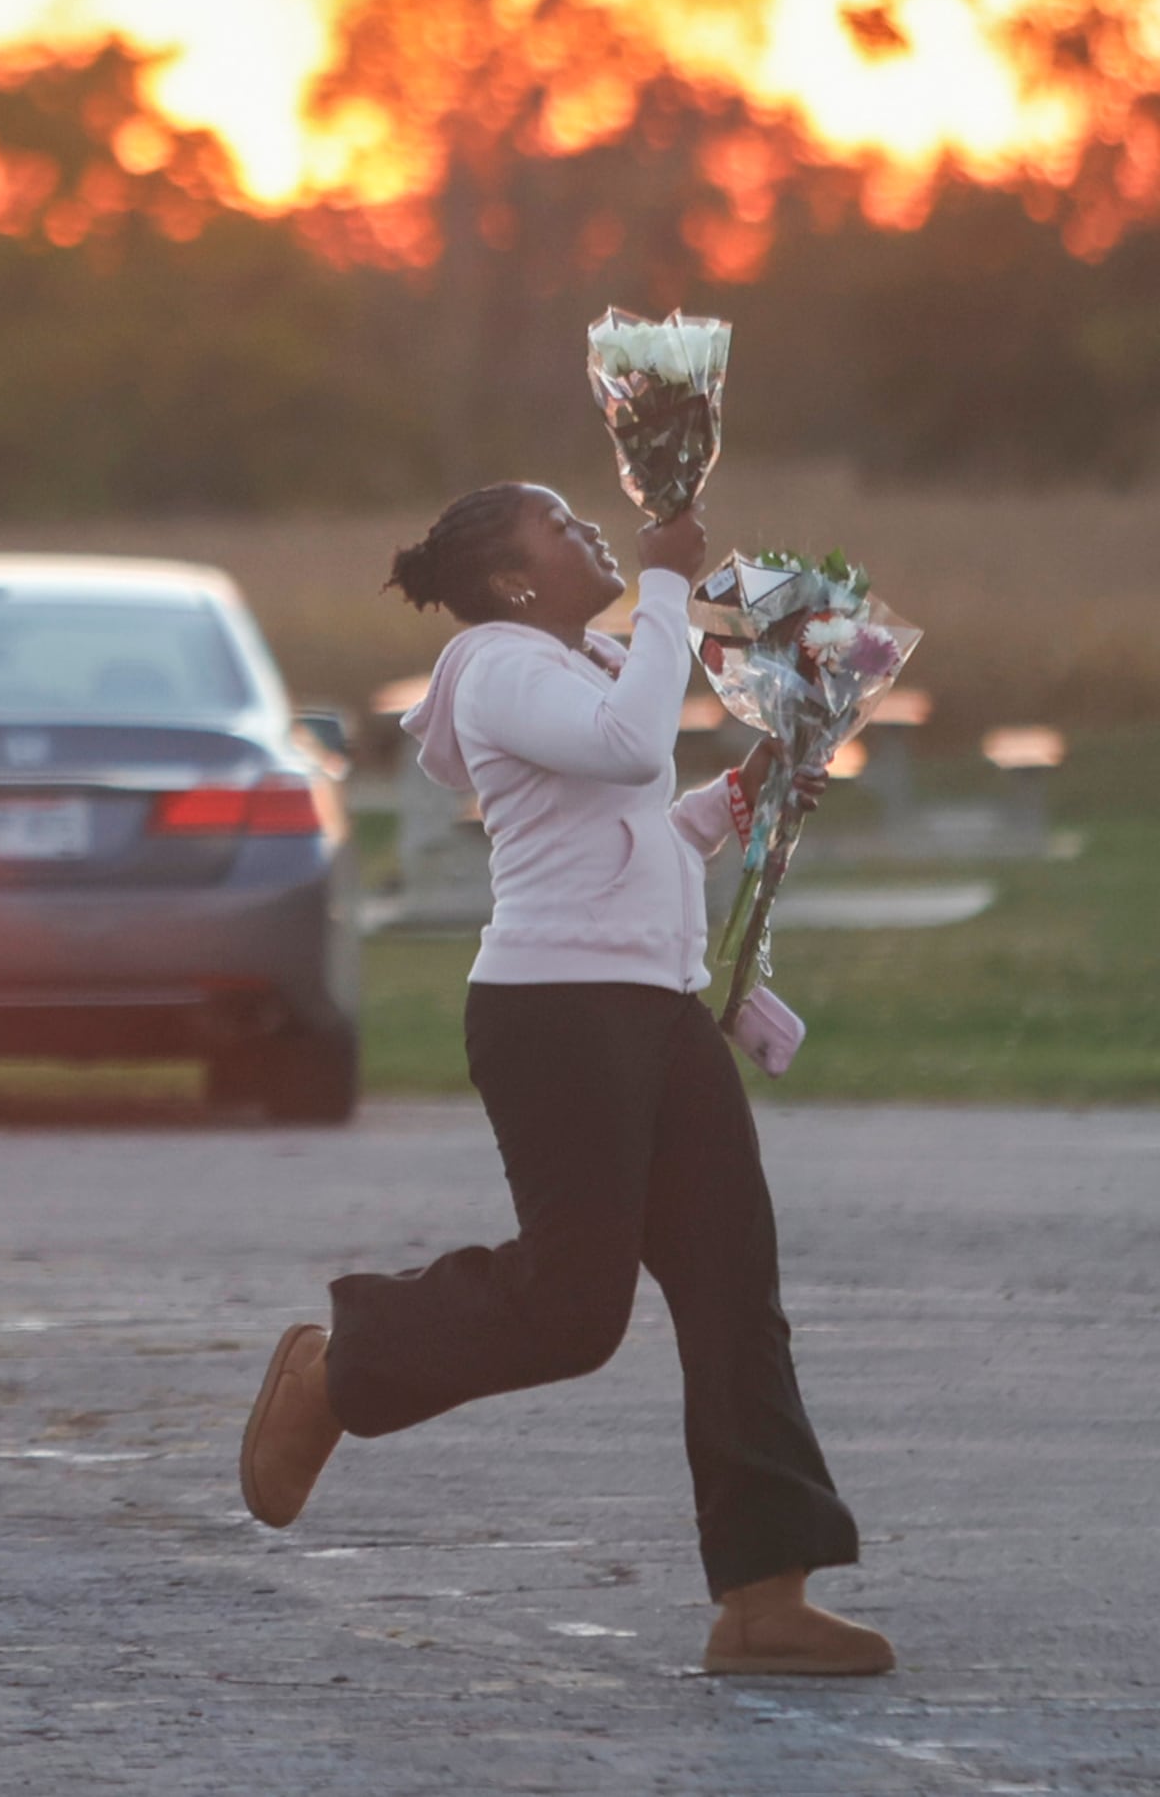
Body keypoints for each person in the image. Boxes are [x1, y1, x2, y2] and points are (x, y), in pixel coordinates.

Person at [238, 482, 895, 1678]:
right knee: (573, 1310)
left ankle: (762, 1596)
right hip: (556, 1017)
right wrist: (659, 578)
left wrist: (749, 785)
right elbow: (633, 744)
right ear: (511, 579)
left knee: (731, 1289)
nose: (594, 531)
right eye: (566, 527)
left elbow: (641, 819)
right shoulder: (496, 665)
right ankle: (341, 1370)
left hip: (655, 1010)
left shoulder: (586, 657)